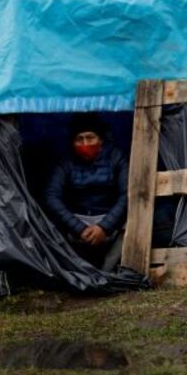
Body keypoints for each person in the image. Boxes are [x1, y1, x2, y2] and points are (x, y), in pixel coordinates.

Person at [44, 113, 127, 271]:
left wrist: (104, 227)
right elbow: (51, 196)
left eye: (90, 138)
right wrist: (78, 228)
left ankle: (106, 273)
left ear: (101, 140)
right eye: (79, 139)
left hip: (110, 222)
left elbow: (127, 195)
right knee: (46, 223)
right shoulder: (65, 162)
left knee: (133, 223)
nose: (85, 143)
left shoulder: (117, 157)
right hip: (76, 223)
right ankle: (76, 271)